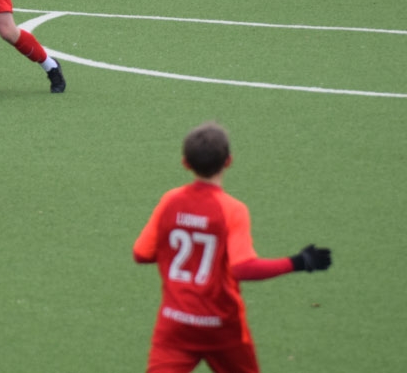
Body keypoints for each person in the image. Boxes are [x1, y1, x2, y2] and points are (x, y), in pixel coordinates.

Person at [133, 122, 332, 373]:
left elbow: (141, 253)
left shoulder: (170, 201)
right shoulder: (232, 210)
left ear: (185, 163)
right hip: (221, 326)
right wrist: (298, 262)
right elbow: (243, 268)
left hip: (175, 323)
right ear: (228, 161)